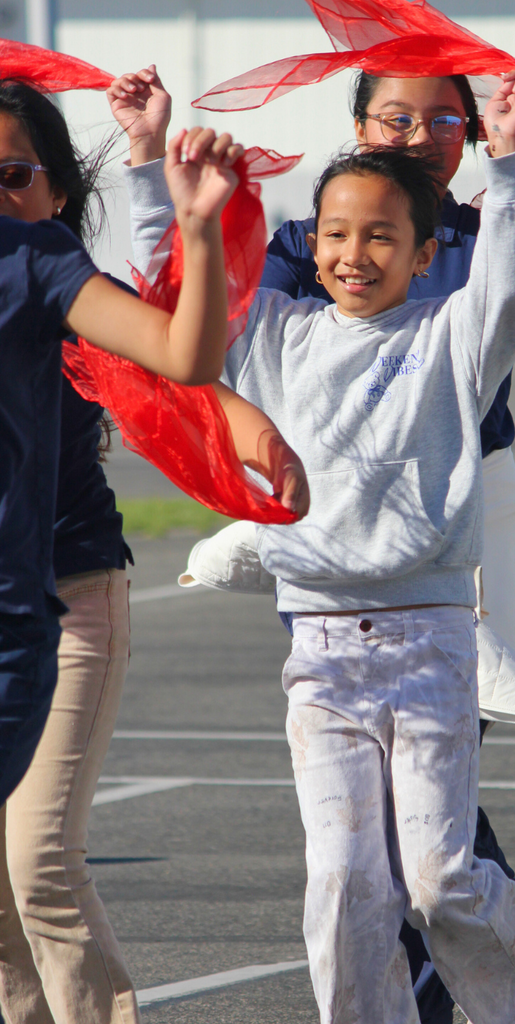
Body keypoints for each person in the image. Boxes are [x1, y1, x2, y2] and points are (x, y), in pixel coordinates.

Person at [110, 63, 515, 1022]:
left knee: (440, 878)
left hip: (434, 640)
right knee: (346, 892)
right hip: (321, 651)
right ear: (310, 242)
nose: (353, 254)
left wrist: (512, 156)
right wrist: (154, 168)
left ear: (422, 251)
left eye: (381, 238)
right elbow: (169, 298)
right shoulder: (275, 331)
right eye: (335, 235)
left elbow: (514, 277)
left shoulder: (457, 336)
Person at [0, 78, 307, 1024]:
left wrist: (255, 435)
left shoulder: (48, 279)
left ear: (54, 193)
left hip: (59, 601)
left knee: (38, 867)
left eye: (13, 174)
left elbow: (176, 363)